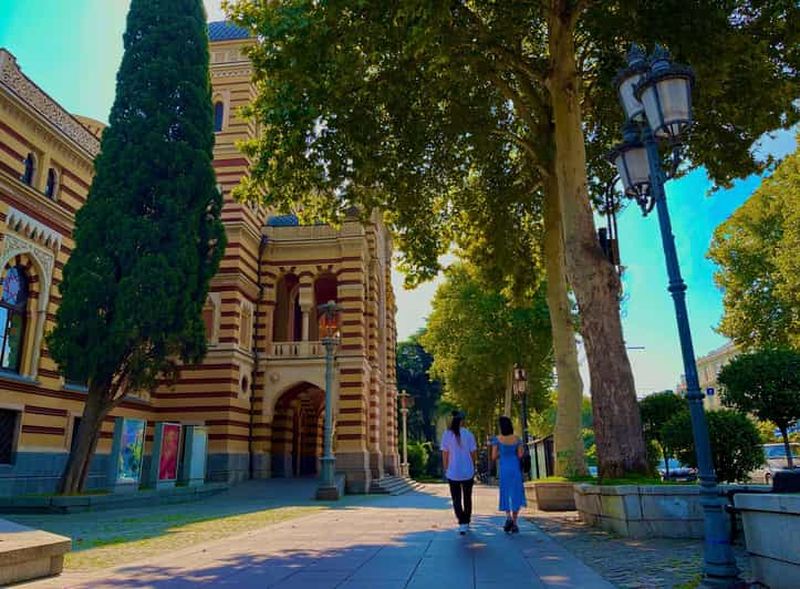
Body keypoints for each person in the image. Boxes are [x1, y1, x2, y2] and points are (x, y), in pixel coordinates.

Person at [440, 411, 477, 535]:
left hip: (453, 471)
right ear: (462, 421)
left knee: (456, 498)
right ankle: (466, 520)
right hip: (467, 471)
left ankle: (462, 521)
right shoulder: (469, 434)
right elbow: (473, 453)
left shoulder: (447, 434)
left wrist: (446, 468)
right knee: (467, 497)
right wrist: (473, 465)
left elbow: (445, 453)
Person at [491, 416, 527, 534]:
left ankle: (508, 518)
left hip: (504, 468)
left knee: (505, 492)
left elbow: (494, 456)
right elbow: (521, 454)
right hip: (515, 467)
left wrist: (503, 453)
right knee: (516, 492)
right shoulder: (517, 439)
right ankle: (515, 522)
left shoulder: (497, 439)